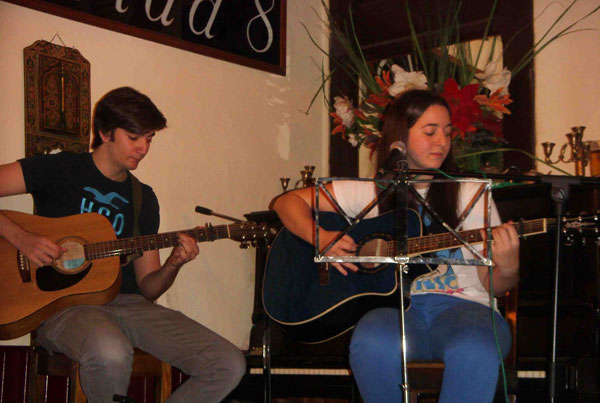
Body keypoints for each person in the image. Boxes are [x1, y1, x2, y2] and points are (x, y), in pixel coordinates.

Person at [272, 89, 520, 402]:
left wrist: (508, 265)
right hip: (394, 309)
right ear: (399, 139)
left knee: (474, 349)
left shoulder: (470, 192)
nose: (442, 142)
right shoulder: (370, 192)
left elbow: (494, 287)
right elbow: (287, 202)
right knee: (370, 342)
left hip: (466, 308)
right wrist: (321, 237)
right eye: (430, 132)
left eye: (447, 132)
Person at [0, 87, 245, 402]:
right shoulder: (59, 169)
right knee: (111, 352)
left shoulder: (143, 198)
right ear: (105, 133)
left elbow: (149, 287)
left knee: (227, 363)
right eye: (134, 137)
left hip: (129, 305)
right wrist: (22, 237)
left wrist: (174, 263)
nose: (143, 148)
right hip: (63, 307)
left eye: (150, 139)